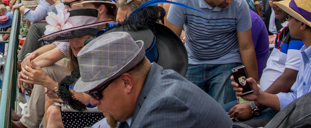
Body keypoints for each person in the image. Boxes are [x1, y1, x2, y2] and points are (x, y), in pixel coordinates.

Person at [72, 32, 232, 127]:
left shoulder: (163, 109)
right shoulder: (156, 87)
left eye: (96, 93)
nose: (93, 102)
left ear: (127, 82)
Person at [167, 0, 257, 104]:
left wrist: (253, 85)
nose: (230, 0)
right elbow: (171, 41)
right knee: (186, 107)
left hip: (226, 60)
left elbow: (246, 47)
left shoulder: (239, 5)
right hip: (192, 60)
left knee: (222, 110)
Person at [228, 0, 308, 121]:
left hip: (275, 106)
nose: (272, 3)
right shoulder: (288, 29)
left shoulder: (299, 34)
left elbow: (290, 77)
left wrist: (254, 105)